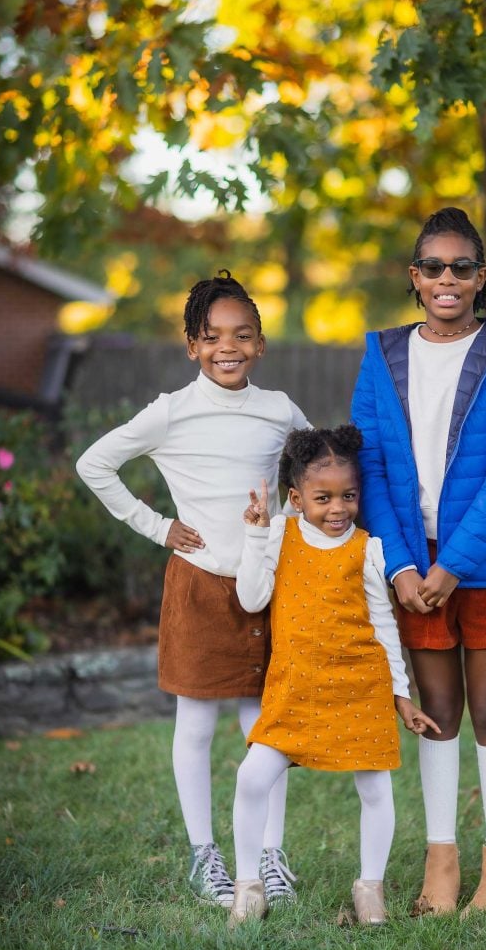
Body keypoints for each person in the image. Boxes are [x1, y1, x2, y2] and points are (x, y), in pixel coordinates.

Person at [76, 271, 310, 909]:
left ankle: (269, 855)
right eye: (211, 338)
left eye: (241, 336)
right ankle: (206, 856)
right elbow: (94, 463)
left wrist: (286, 529)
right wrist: (157, 526)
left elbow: (311, 478)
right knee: (197, 724)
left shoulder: (280, 409)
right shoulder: (172, 412)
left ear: (260, 343)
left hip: (266, 586)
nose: (226, 348)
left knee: (268, 727)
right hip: (200, 585)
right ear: (191, 346)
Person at [350, 207, 486, 917]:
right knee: (434, 710)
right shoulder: (382, 354)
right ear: (413, 277)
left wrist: (453, 565)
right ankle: (441, 863)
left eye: (460, 267)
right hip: (414, 564)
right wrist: (403, 566)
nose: (446, 278)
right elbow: (367, 463)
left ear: (480, 277)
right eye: (432, 266)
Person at [230, 425, 440, 927]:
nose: (338, 508)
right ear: (297, 498)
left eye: (348, 496)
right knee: (251, 777)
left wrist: (399, 693)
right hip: (296, 691)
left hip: (359, 688)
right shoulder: (278, 535)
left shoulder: (367, 548)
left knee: (375, 790)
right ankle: (248, 885)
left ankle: (370, 886)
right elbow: (251, 599)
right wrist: (256, 534)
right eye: (323, 498)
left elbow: (384, 623)